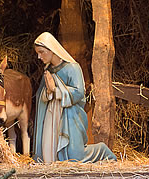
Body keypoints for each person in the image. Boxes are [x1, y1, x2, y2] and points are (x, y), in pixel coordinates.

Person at [33, 32, 116, 163]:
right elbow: (41, 95)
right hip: (52, 117)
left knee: (76, 156)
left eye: (41, 52)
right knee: (50, 151)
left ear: (52, 49)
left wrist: (56, 90)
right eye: (38, 53)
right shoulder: (48, 71)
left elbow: (79, 93)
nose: (39, 56)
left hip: (70, 118)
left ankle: (102, 151)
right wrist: (49, 92)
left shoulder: (72, 68)